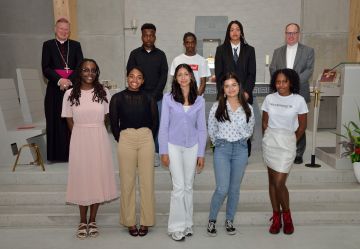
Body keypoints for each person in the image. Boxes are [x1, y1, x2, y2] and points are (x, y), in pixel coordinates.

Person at [61, 58, 118, 239]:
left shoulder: (104, 92)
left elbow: (107, 116)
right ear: (80, 72)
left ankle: (92, 220)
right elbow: (69, 118)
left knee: (96, 177)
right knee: (82, 178)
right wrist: (79, 133)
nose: (89, 73)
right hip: (79, 138)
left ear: (97, 73)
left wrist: (96, 128)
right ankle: (82, 220)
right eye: (86, 70)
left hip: (98, 137)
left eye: (93, 70)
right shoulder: (69, 93)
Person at [158, 64, 207, 241]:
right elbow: (163, 127)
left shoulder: (200, 101)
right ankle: (176, 227)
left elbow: (202, 129)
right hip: (173, 146)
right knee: (178, 187)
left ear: (192, 77)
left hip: (192, 147)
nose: (183, 77)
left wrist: (201, 153)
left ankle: (187, 224)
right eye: (180, 74)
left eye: (186, 74)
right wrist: (163, 151)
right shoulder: (168, 98)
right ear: (176, 78)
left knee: (188, 186)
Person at [109, 66, 158, 237]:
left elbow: (155, 122)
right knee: (127, 183)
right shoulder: (117, 98)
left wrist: (146, 134)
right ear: (127, 78)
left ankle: (146, 221)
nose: (135, 80)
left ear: (143, 80)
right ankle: (129, 221)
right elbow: (114, 123)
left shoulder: (149, 98)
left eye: (139, 77)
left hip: (145, 138)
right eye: (131, 76)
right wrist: (122, 137)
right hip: (126, 138)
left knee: (147, 182)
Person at [207, 72, 255, 237]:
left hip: (241, 149)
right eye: (227, 86)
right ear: (223, 88)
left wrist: (240, 136)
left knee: (234, 189)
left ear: (239, 86)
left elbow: (250, 130)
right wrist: (218, 143)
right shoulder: (217, 106)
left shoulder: (247, 107)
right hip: (222, 149)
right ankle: (212, 220)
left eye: (234, 85)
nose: (231, 88)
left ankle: (229, 220)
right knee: (222, 188)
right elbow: (211, 128)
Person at [261, 68, 308, 235]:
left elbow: (302, 126)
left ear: (291, 83)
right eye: (278, 81)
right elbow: (264, 122)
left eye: (284, 82)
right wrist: (267, 137)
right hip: (270, 141)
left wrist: (291, 140)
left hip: (287, 141)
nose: (280, 85)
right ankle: (276, 217)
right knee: (272, 182)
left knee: (280, 182)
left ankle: (287, 215)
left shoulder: (299, 100)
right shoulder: (269, 98)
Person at [269, 23, 314, 164]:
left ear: (298, 34)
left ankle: (298, 152)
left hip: (299, 91)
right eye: (288, 33)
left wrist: (292, 83)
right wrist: (283, 84)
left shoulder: (308, 51)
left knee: (299, 124)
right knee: (283, 122)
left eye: (294, 33)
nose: (291, 35)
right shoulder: (278, 52)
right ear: (285, 34)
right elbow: (273, 69)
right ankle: (281, 148)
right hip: (281, 93)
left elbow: (308, 70)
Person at [42, 17, 84, 162]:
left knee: (72, 120)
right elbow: (45, 68)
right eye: (61, 28)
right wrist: (60, 80)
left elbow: (80, 66)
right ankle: (55, 156)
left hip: (72, 89)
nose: (64, 31)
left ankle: (73, 154)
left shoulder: (76, 45)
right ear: (55, 29)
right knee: (54, 120)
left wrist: (69, 81)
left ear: (69, 31)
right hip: (54, 88)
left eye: (66, 29)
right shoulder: (47, 45)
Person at [126, 23, 168, 166]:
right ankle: (139, 154)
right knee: (139, 125)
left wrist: (154, 95)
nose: (148, 38)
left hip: (157, 99)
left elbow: (163, 76)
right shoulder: (134, 54)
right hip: (138, 98)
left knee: (156, 126)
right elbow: (131, 75)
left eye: (151, 35)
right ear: (142, 36)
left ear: (155, 36)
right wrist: (141, 95)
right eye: (145, 35)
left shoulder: (161, 55)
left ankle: (155, 154)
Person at [214, 20, 256, 156]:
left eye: (237, 29)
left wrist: (247, 92)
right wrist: (225, 93)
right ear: (228, 33)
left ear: (241, 32)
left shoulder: (250, 50)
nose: (235, 32)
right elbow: (219, 74)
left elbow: (251, 74)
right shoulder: (220, 50)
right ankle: (223, 150)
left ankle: (245, 151)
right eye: (232, 29)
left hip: (244, 95)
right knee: (226, 123)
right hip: (226, 94)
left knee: (244, 123)